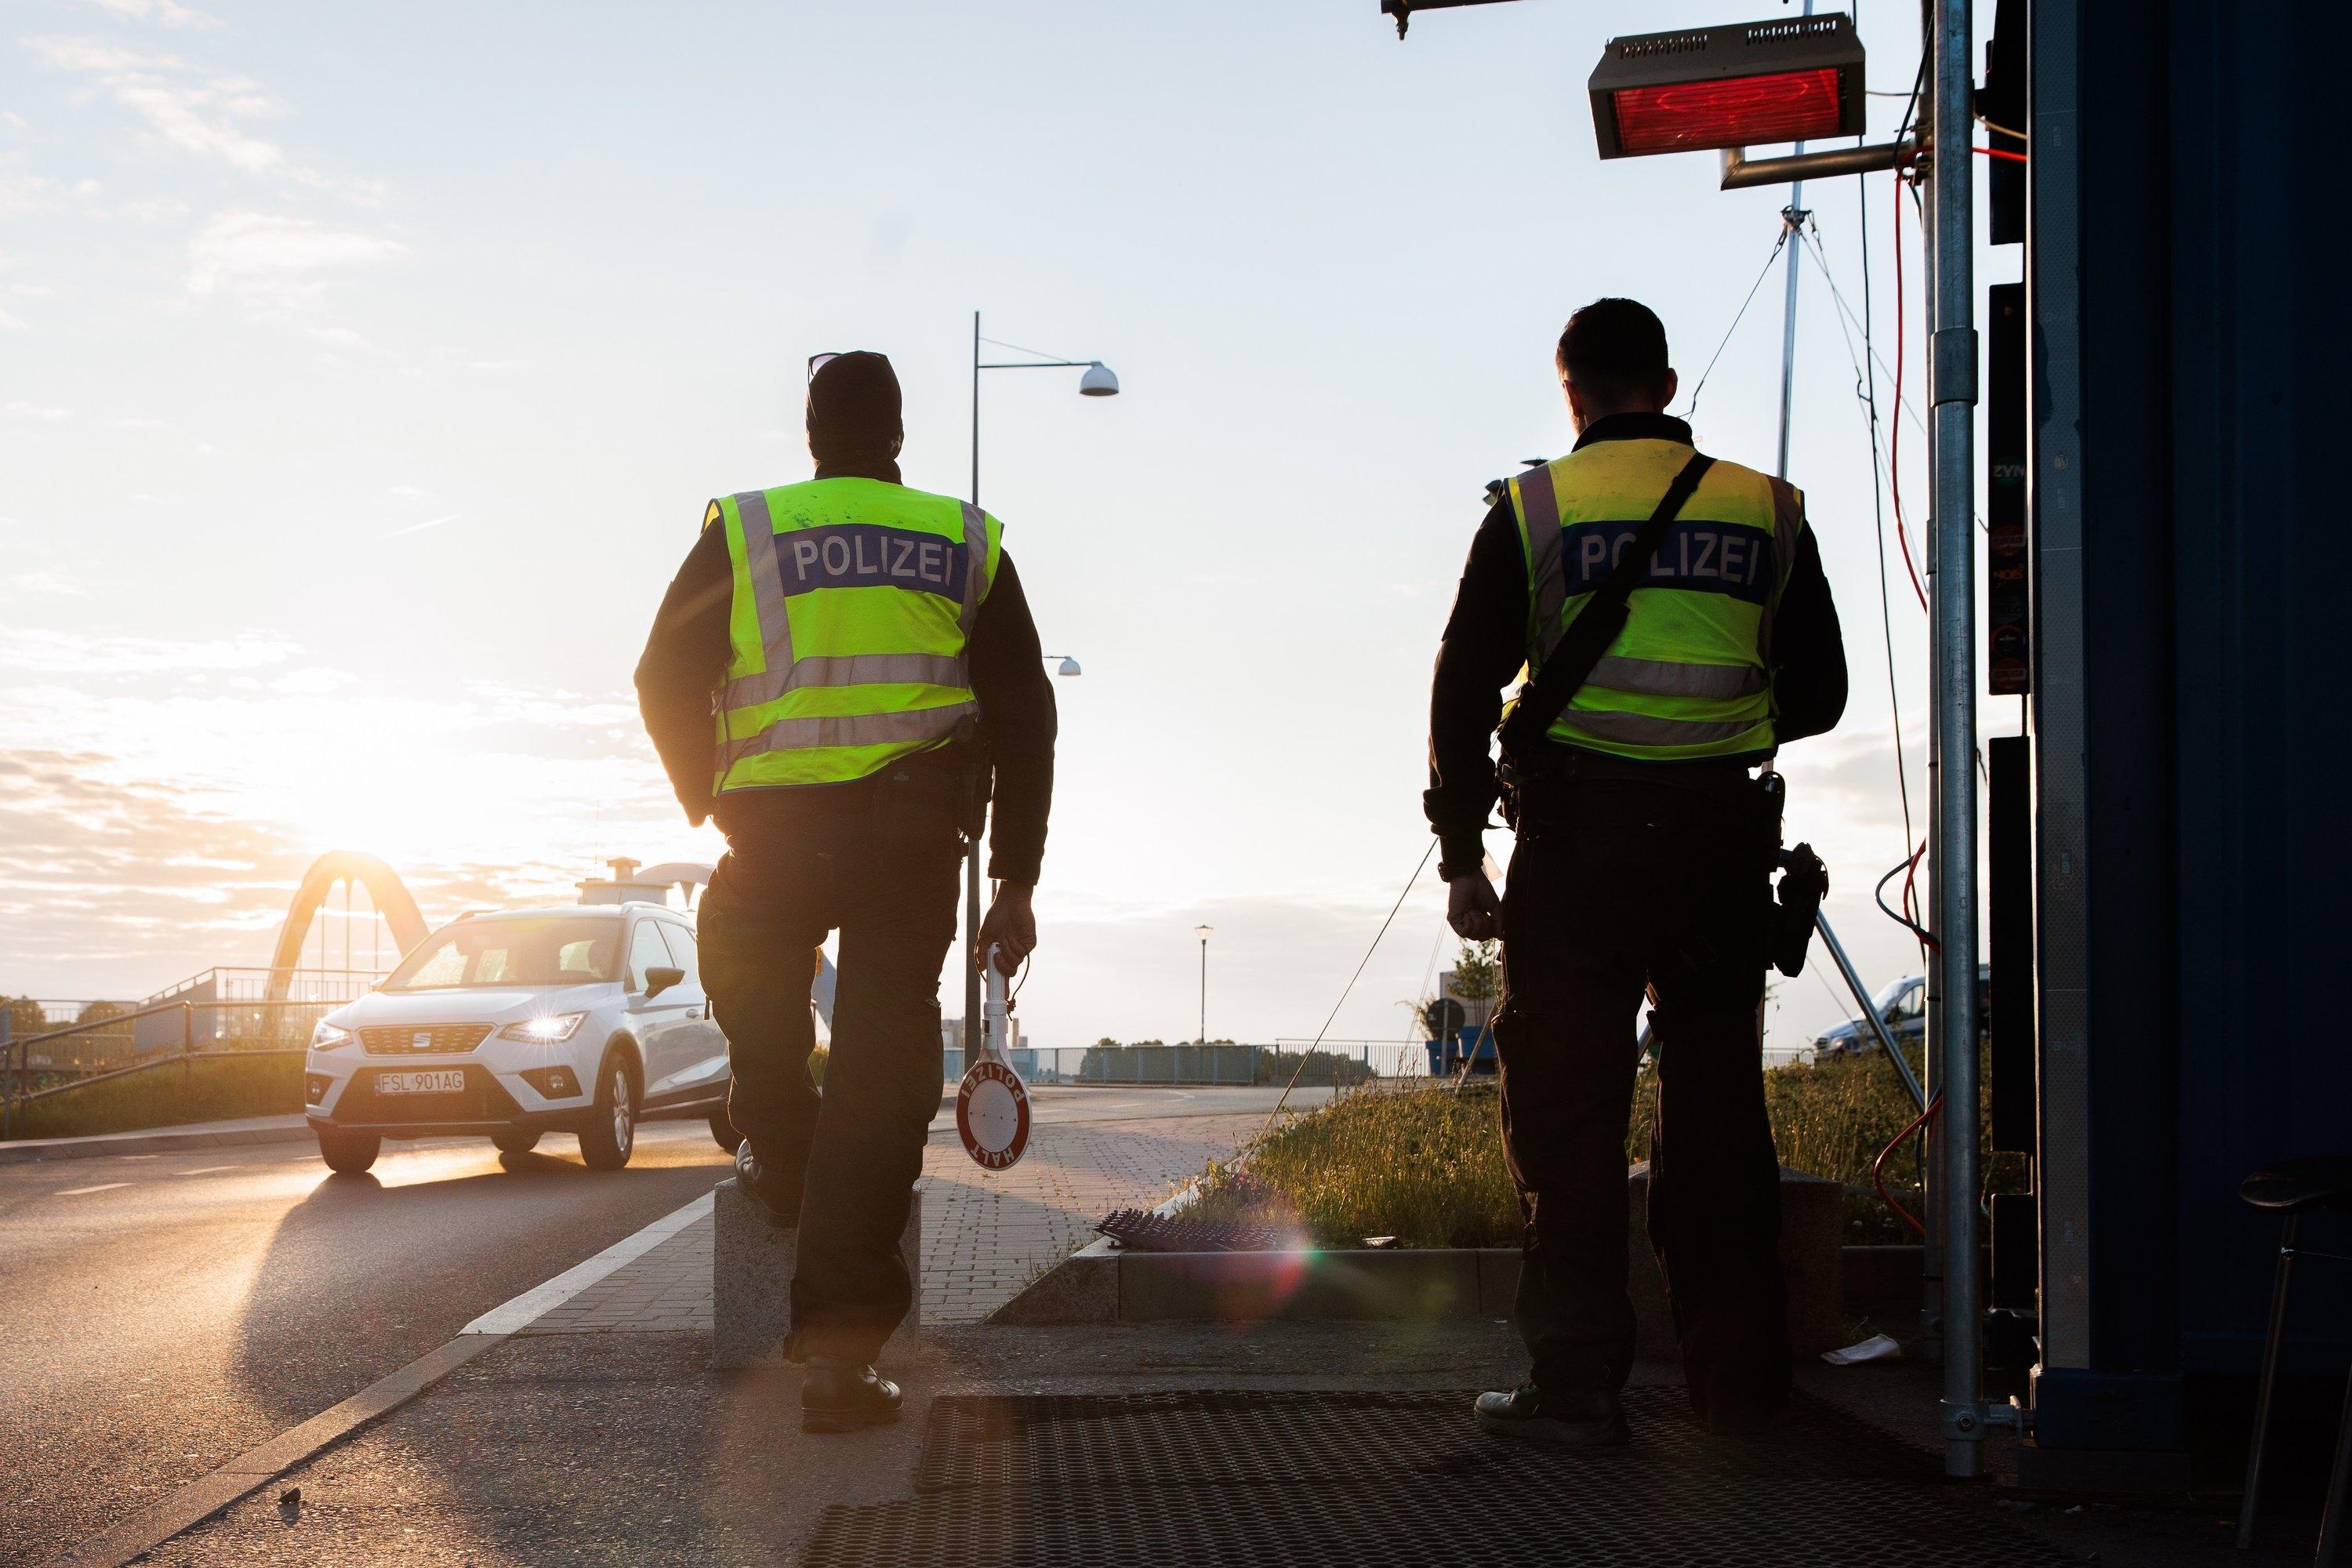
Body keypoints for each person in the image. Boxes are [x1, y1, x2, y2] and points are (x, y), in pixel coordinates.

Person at [1425, 298, 1846, 1444]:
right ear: (1665, 383)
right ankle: (1742, 1395)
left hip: (1575, 853)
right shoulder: (1766, 509)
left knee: (1567, 1123)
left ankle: (1575, 1393)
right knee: (1717, 1119)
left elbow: (1463, 691)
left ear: (1571, 390)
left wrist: (1465, 856)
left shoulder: (1535, 509)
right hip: (1716, 850)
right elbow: (1819, 694)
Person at [635, 350, 1054, 1433]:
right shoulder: (964, 542)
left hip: (771, 828)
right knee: (880, 1066)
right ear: (899, 435)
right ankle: (838, 1355)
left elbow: (660, 675)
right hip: (912, 841)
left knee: (737, 961)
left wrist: (707, 797)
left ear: (814, 433)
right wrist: (1015, 879)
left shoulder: (749, 530)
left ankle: (778, 1132)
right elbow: (1025, 715)